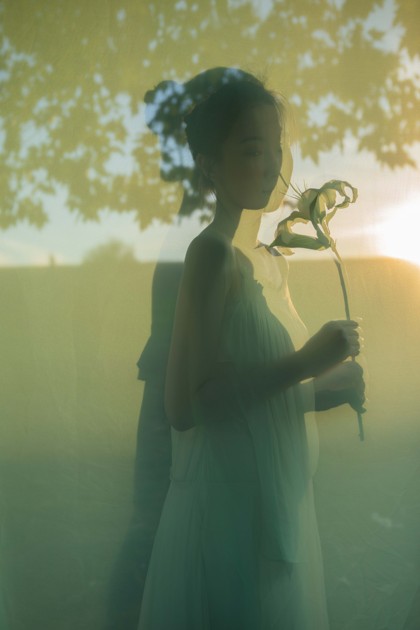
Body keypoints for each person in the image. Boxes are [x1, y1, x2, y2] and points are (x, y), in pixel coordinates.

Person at [137, 69, 364, 630]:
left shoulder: (260, 263)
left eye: (276, 148)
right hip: (227, 520)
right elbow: (184, 407)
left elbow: (247, 400)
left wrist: (322, 390)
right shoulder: (210, 255)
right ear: (210, 164)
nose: (271, 165)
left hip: (267, 509)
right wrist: (305, 363)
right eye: (251, 148)